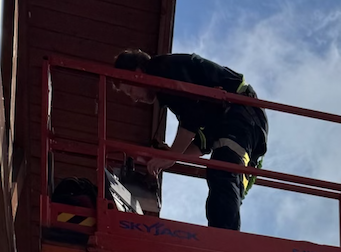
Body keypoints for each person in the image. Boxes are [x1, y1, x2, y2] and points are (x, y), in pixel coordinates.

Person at [113, 50, 268, 231]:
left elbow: (191, 118)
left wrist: (170, 155)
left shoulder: (162, 70)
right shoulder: (172, 83)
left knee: (224, 169)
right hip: (233, 118)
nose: (134, 99)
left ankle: (224, 239)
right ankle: (223, 236)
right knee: (224, 172)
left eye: (130, 90)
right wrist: (168, 158)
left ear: (138, 73)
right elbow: (202, 143)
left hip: (239, 111)